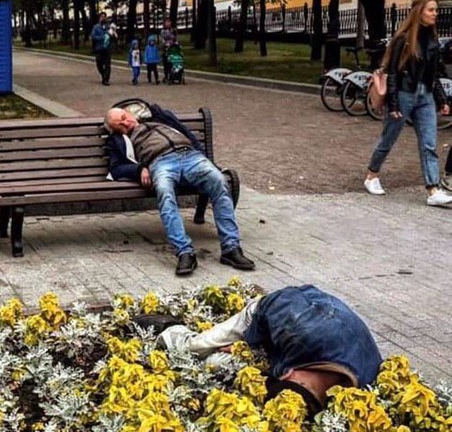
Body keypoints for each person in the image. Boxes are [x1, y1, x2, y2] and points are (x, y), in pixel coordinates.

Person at [149, 284, 383, 413]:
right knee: (196, 347)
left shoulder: (361, 381)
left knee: (214, 364)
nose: (281, 373)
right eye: (281, 376)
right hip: (267, 314)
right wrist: (247, 343)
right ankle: (171, 330)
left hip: (306, 342)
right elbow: (281, 301)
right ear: (290, 375)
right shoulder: (298, 325)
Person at [105, 105, 254, 275]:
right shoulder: (117, 140)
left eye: (125, 117)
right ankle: (184, 252)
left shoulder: (159, 119)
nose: (126, 123)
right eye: (120, 125)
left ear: (130, 111)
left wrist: (147, 110)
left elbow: (163, 113)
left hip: (191, 156)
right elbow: (116, 169)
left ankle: (231, 248)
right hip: (160, 162)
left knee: (219, 181)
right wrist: (139, 169)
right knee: (165, 193)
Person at [364, 0, 452, 207]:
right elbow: (393, 72)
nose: (435, 14)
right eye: (431, 10)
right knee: (389, 138)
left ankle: (433, 190)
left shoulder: (432, 40)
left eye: (436, 10)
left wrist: (442, 100)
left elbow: (434, 73)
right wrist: (393, 104)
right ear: (419, 12)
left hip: (425, 97)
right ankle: (371, 176)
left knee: (429, 143)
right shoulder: (403, 39)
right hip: (404, 95)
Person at [90, 12, 113, 86]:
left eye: (104, 17)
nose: (103, 18)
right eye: (102, 17)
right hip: (99, 48)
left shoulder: (108, 27)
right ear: (99, 18)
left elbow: (112, 35)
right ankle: (103, 75)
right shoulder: (96, 27)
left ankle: (106, 79)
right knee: (99, 63)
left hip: (107, 48)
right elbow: (93, 36)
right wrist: (101, 38)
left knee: (107, 64)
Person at [160, 18, 178, 83]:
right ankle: (166, 75)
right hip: (166, 48)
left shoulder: (174, 30)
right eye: (167, 22)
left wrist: (175, 43)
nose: (168, 23)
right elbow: (162, 39)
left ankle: (172, 75)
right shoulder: (163, 31)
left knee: (171, 63)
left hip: (172, 48)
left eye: (169, 22)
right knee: (166, 63)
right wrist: (166, 43)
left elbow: (176, 38)